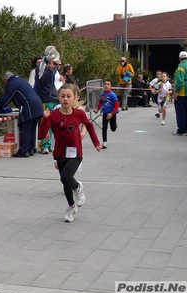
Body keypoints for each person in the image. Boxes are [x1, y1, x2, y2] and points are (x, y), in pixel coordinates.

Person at [39, 83, 102, 223]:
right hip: (60, 152)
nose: (65, 99)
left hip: (75, 152)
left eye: (68, 96)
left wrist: (96, 143)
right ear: (58, 98)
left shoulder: (79, 113)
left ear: (74, 98)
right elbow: (42, 134)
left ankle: (78, 187)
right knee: (65, 182)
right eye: (62, 96)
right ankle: (71, 207)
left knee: (66, 178)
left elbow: (90, 127)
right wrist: (45, 119)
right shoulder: (53, 115)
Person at [0, 71, 43, 157]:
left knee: (25, 128)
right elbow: (11, 95)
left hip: (28, 106)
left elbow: (7, 98)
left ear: (5, 79)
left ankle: (23, 151)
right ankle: (31, 149)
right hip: (37, 105)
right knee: (32, 129)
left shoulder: (11, 83)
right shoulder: (19, 80)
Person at [35, 45, 60, 154]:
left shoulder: (52, 66)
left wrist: (52, 70)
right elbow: (42, 81)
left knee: (53, 123)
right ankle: (44, 145)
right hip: (44, 98)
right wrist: (49, 70)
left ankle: (49, 144)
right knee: (45, 122)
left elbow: (54, 80)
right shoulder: (41, 66)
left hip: (53, 98)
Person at [172, 51, 187, 136]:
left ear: (179, 58)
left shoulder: (181, 67)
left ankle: (182, 129)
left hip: (182, 93)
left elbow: (180, 81)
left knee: (181, 111)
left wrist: (176, 92)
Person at [94, 79, 119, 149]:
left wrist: (112, 113)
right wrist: (97, 109)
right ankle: (104, 141)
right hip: (105, 113)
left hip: (112, 113)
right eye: (105, 84)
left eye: (108, 84)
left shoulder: (112, 95)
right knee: (104, 127)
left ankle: (115, 125)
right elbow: (100, 102)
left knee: (113, 128)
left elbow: (117, 105)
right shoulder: (102, 95)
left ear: (111, 86)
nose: (106, 86)